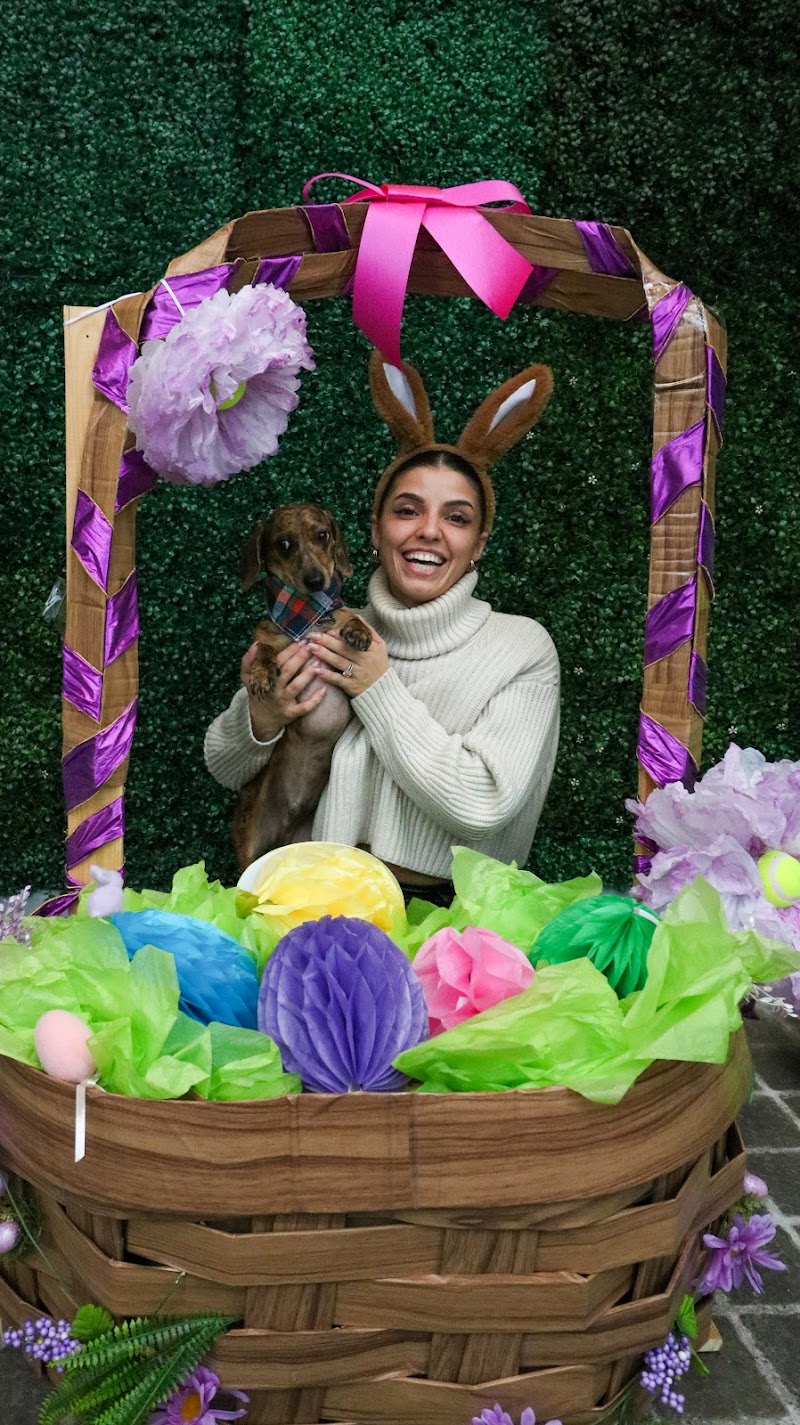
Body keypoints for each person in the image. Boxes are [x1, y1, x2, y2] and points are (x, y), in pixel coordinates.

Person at [204, 352, 560, 905]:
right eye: (407, 510)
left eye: (457, 518)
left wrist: (377, 685)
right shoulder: (328, 627)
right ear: (373, 532)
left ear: (479, 545)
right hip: (306, 897)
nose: (430, 532)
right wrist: (262, 717)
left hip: (443, 917)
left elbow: (482, 804)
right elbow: (225, 766)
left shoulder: (521, 648)